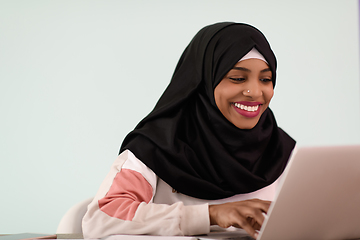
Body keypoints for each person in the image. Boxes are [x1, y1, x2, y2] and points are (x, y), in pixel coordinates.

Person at [82, 22, 296, 239]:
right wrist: (208, 215)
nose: (254, 91)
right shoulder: (155, 148)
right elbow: (101, 218)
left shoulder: (282, 152)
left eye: (266, 79)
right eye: (238, 78)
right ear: (204, 81)